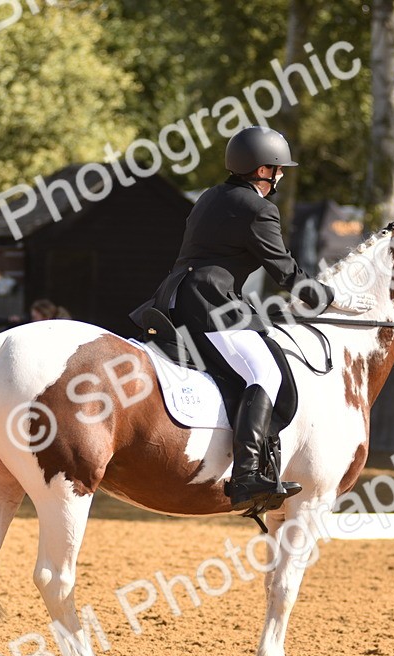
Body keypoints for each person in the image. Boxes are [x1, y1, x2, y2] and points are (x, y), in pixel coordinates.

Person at [132, 125, 377, 513]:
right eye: (278, 169)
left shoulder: (211, 196)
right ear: (262, 170)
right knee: (266, 371)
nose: (281, 176)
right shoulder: (259, 209)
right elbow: (286, 273)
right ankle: (248, 475)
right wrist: (334, 297)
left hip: (175, 297)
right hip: (211, 304)